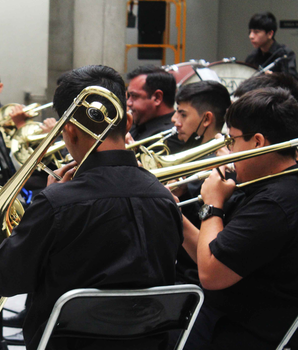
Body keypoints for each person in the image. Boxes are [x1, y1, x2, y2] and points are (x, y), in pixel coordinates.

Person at [0, 65, 183, 350]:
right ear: (127, 122)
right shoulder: (164, 199)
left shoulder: (57, 203)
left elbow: (5, 280)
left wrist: (44, 205)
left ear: (68, 128)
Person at [180, 87, 298, 350]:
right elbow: (216, 253)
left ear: (257, 142)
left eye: (232, 140)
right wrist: (174, 216)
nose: (229, 151)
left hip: (242, 332)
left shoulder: (277, 202)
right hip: (226, 318)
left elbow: (211, 273)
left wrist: (212, 204)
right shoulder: (268, 187)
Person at [170, 81, 231, 285]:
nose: (174, 120)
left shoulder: (220, 168)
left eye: (183, 114)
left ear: (206, 119)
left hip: (192, 274)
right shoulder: (190, 151)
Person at [126, 65, 184, 153]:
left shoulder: (171, 135)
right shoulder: (138, 123)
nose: (128, 103)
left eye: (134, 96)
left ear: (157, 98)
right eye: (128, 96)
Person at [245, 12, 298, 79]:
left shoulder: (285, 54)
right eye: (250, 32)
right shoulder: (251, 57)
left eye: (256, 32)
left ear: (270, 34)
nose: (251, 36)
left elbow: (293, 81)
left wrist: (274, 78)